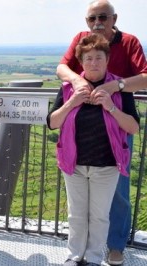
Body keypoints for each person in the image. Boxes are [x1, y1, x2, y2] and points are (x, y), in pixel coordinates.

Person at [56, 1, 147, 264]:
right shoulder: (81, 39)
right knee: (81, 204)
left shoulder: (129, 42)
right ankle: (82, 252)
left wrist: (115, 86)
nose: (97, 22)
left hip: (117, 123)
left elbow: (144, 76)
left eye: (103, 17)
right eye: (92, 18)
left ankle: (115, 245)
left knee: (118, 192)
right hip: (84, 131)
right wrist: (78, 80)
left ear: (114, 19)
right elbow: (62, 68)